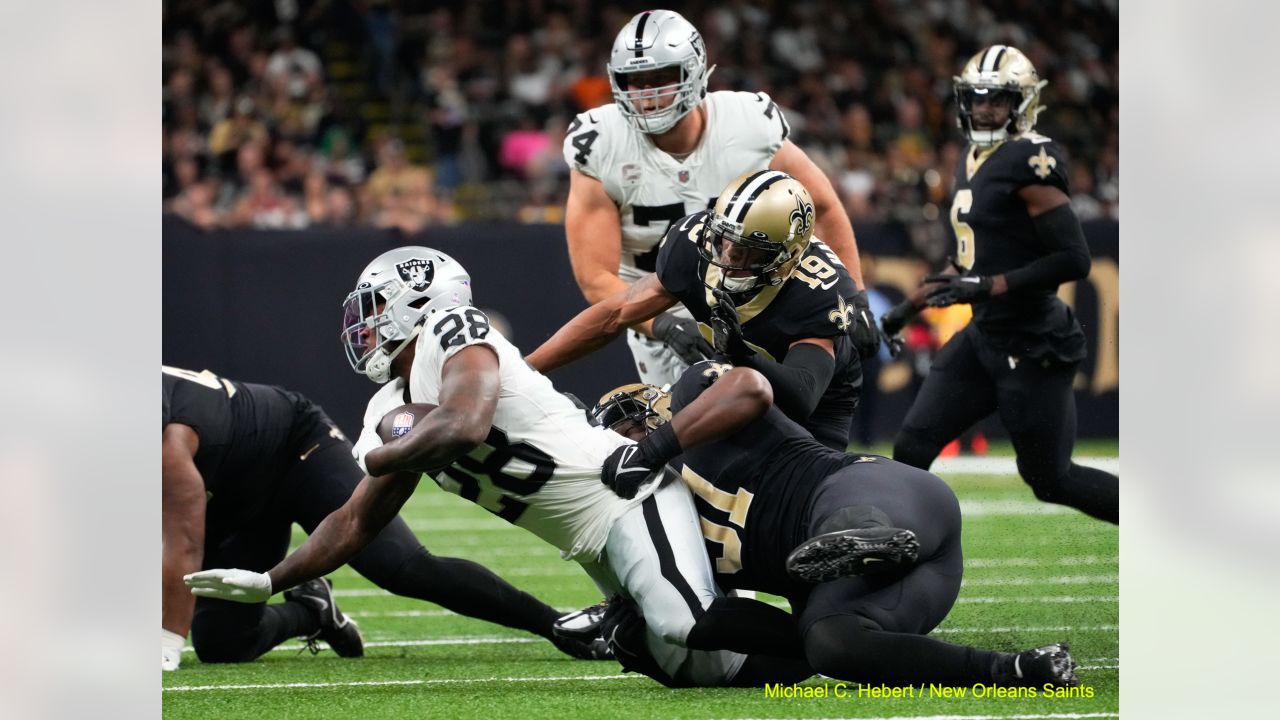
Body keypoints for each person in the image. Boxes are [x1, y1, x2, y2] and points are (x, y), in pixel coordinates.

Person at [184, 247, 813, 687]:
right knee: (696, 670)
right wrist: (272, 580)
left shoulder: (452, 329)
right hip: (586, 539)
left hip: (623, 490)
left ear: (419, 303)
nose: (364, 324)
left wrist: (379, 453)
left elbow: (464, 425)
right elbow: (355, 521)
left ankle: (837, 644)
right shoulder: (387, 403)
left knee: (685, 624)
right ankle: (814, 668)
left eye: (376, 307)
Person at [588, 363, 1080, 688]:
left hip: (879, 494)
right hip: (891, 578)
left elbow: (746, 387)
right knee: (829, 645)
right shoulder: (655, 529)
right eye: (617, 441)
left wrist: (653, 450)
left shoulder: (693, 394)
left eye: (629, 427)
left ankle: (867, 536)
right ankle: (1014, 668)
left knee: (833, 514)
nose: (625, 443)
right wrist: (652, 650)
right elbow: (758, 654)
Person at [162, 364, 604, 671]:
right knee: (224, 643)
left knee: (400, 567)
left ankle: (555, 623)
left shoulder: (166, 432)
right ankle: (312, 611)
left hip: (293, 451)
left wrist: (166, 639)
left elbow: (181, 536)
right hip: (232, 491)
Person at [562, 9, 880, 387]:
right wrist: (661, 324)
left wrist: (856, 296)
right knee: (680, 431)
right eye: (634, 81)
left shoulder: (745, 125)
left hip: (756, 299)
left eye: (660, 78)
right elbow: (596, 277)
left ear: (694, 72)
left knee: (781, 420)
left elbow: (822, 205)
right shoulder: (602, 143)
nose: (646, 95)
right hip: (660, 308)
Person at [879, 46, 1118, 523]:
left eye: (998, 99)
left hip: (1034, 342)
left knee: (1050, 479)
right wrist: (903, 311)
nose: (984, 108)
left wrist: (990, 287)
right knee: (911, 446)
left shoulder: (1031, 158)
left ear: (1022, 102)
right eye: (977, 98)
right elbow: (968, 262)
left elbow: (1073, 259)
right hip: (985, 335)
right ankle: (896, 552)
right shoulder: (971, 157)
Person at [529, 171, 863, 451]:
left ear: (786, 257)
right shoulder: (694, 243)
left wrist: (740, 354)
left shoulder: (819, 289)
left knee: (788, 499)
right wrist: (526, 369)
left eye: (747, 250)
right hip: (737, 385)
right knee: (631, 418)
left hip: (816, 412)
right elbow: (615, 314)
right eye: (724, 240)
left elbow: (803, 394)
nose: (729, 257)